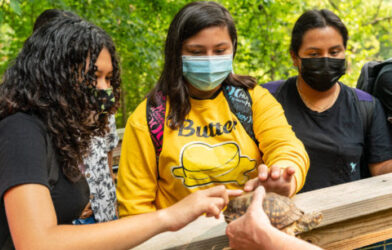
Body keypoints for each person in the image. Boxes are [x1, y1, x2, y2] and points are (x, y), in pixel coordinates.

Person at [0, 15, 242, 249]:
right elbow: (38, 242)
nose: (104, 89)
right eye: (93, 77)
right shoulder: (19, 130)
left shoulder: (58, 132)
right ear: (53, 74)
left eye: (108, 78)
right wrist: (169, 216)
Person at [116, 1, 309, 218]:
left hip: (253, 230)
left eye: (219, 50)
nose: (209, 60)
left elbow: (286, 146)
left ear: (233, 49)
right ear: (176, 53)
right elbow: (134, 206)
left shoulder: (253, 99)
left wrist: (283, 175)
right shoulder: (148, 118)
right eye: (196, 52)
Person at [262, 9, 392, 192]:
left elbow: (382, 169)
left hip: (348, 214)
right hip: (280, 214)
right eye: (314, 54)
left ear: (344, 52)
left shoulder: (367, 106)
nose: (325, 60)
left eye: (334, 52)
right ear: (294, 57)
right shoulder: (266, 98)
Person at [33, 8, 120, 224]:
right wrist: (72, 204)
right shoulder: (35, 114)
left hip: (105, 209)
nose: (103, 85)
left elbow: (107, 150)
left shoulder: (101, 100)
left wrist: (109, 191)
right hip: (69, 220)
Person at [226, 186, 322, 250]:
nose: (318, 218)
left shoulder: (292, 224)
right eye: (316, 218)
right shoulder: (290, 228)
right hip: (241, 211)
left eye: (315, 218)